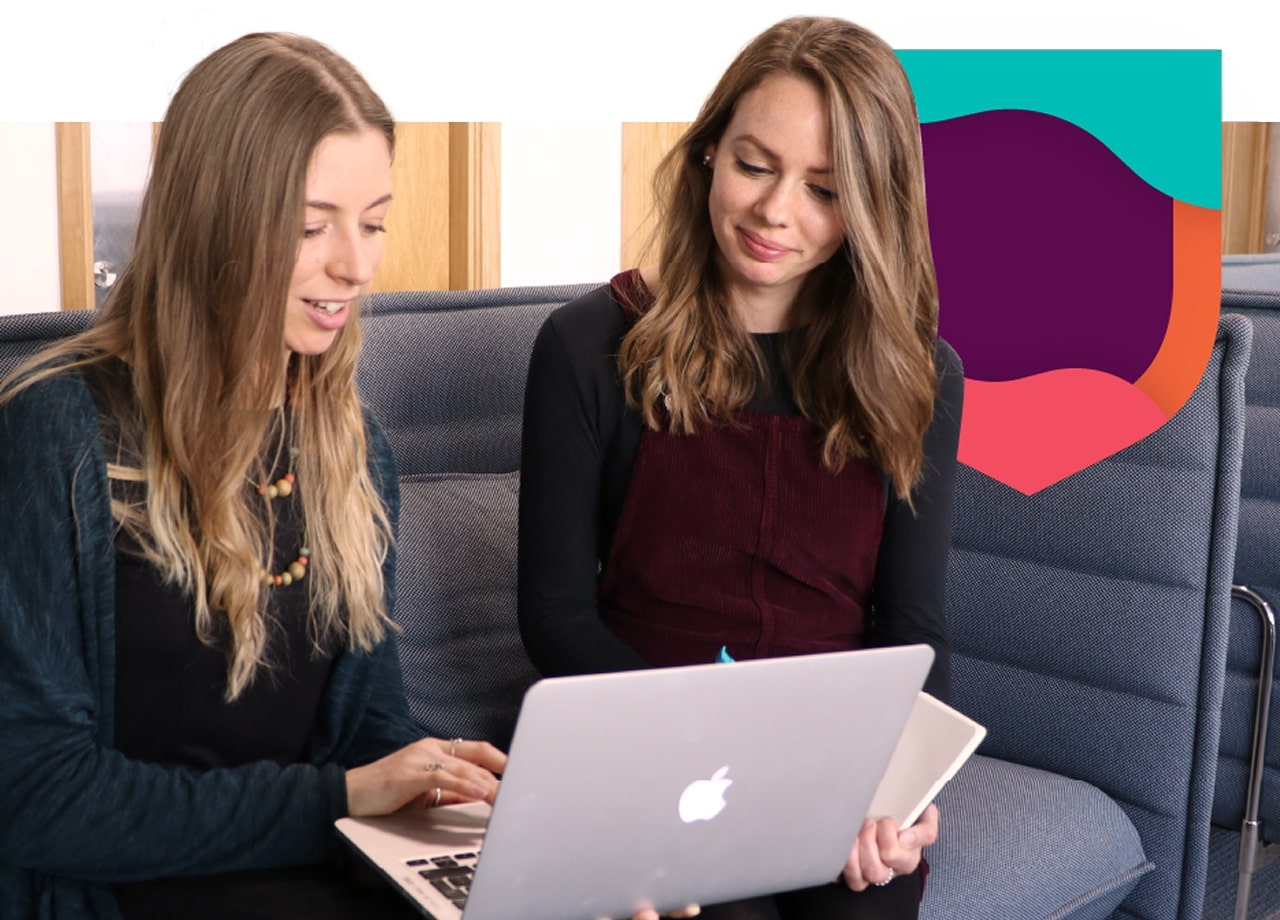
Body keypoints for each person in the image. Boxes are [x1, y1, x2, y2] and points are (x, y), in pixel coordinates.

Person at [0, 33, 505, 920]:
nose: (356, 264)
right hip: (125, 891)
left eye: (374, 220)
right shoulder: (58, 434)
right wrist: (337, 800)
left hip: (309, 868)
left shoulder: (352, 445)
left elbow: (368, 732)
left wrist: (446, 794)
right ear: (216, 220)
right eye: (312, 227)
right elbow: (37, 796)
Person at [518, 15, 963, 920]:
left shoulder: (923, 374)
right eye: (756, 165)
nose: (775, 212)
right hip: (642, 749)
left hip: (830, 770)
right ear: (709, 153)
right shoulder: (585, 346)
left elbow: (913, 632)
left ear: (870, 209)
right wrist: (730, 767)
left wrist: (898, 792)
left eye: (825, 190)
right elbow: (555, 621)